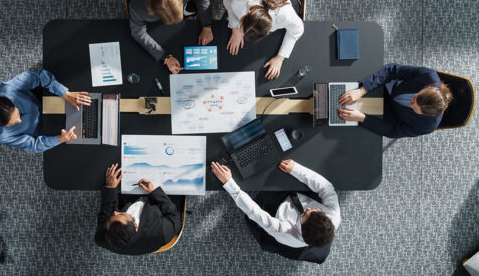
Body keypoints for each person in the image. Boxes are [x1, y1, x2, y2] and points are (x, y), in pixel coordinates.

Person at [210, 159, 339, 262]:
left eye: (305, 214)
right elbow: (326, 188)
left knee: (260, 187)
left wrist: (229, 183)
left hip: (277, 210)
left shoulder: (285, 234)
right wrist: (296, 169)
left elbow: (255, 212)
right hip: (295, 196)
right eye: (316, 210)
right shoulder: (333, 214)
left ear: (301, 227)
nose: (309, 208)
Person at [0, 69, 92, 153]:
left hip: (41, 99)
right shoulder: (1, 136)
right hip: (43, 127)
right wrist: (60, 139)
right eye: (13, 123)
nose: (19, 120)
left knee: (87, 95)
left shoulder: (8, 89)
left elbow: (40, 77)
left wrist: (65, 94)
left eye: (18, 114)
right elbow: (34, 145)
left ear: (11, 103)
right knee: (88, 133)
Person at [128, 0, 213, 74]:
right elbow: (138, 34)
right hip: (156, 27)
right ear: (152, 11)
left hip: (186, 9)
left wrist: (207, 25)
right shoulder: (137, 7)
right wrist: (165, 58)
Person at [337, 63, 453, 138]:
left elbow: (394, 131)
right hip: (386, 88)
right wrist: (362, 90)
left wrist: (363, 118)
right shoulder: (428, 76)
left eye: (415, 109)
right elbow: (391, 70)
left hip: (388, 114)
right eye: (415, 98)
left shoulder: (428, 126)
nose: (411, 104)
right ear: (425, 88)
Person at [94, 164, 182, 255]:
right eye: (121, 214)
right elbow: (175, 216)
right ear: (135, 224)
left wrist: (110, 187)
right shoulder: (162, 233)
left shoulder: (102, 238)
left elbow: (104, 218)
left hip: (130, 196)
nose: (115, 212)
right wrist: (154, 192)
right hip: (158, 201)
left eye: (112, 216)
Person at [223, 0, 304, 79]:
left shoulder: (285, 15)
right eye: (241, 25)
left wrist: (280, 58)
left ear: (268, 30)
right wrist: (235, 29)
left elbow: (297, 29)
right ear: (248, 12)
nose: (242, 35)